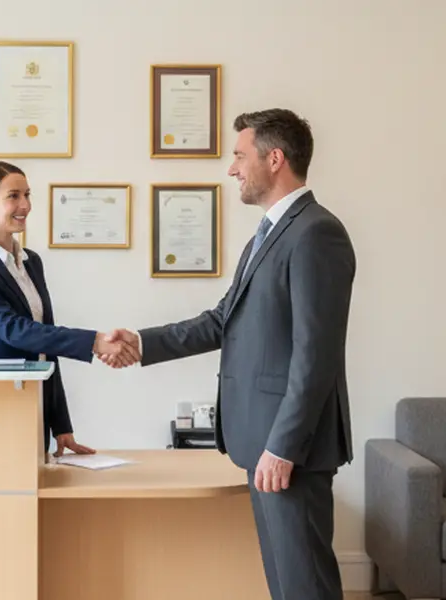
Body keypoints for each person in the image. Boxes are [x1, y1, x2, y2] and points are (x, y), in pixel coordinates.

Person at [102, 108, 355, 600]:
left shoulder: (315, 233)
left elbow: (315, 354)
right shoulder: (269, 234)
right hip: (263, 439)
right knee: (286, 583)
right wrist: (141, 342)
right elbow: (223, 321)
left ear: (275, 158)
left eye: (240, 156)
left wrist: (284, 445)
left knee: (306, 585)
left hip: (288, 447)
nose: (232, 168)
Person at [0, 160, 137, 457]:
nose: (26, 205)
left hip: (31, 405)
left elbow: (43, 341)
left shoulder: (31, 261)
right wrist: (95, 341)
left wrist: (61, 424)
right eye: (14, 196)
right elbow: (13, 329)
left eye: (27, 194)